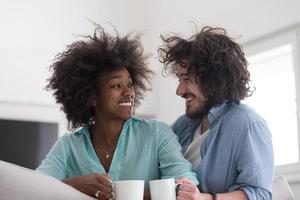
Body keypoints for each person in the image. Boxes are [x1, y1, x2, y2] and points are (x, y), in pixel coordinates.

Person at [36, 25, 198, 200]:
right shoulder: (69, 146)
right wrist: (74, 185)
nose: (129, 92)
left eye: (129, 84)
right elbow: (33, 187)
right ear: (92, 97)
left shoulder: (156, 134)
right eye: (116, 86)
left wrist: (125, 195)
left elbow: (185, 184)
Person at [158, 26, 274, 200]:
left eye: (187, 79)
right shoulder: (182, 126)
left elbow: (259, 194)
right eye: (179, 79)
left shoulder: (248, 124)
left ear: (214, 79)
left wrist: (205, 198)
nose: (179, 90)